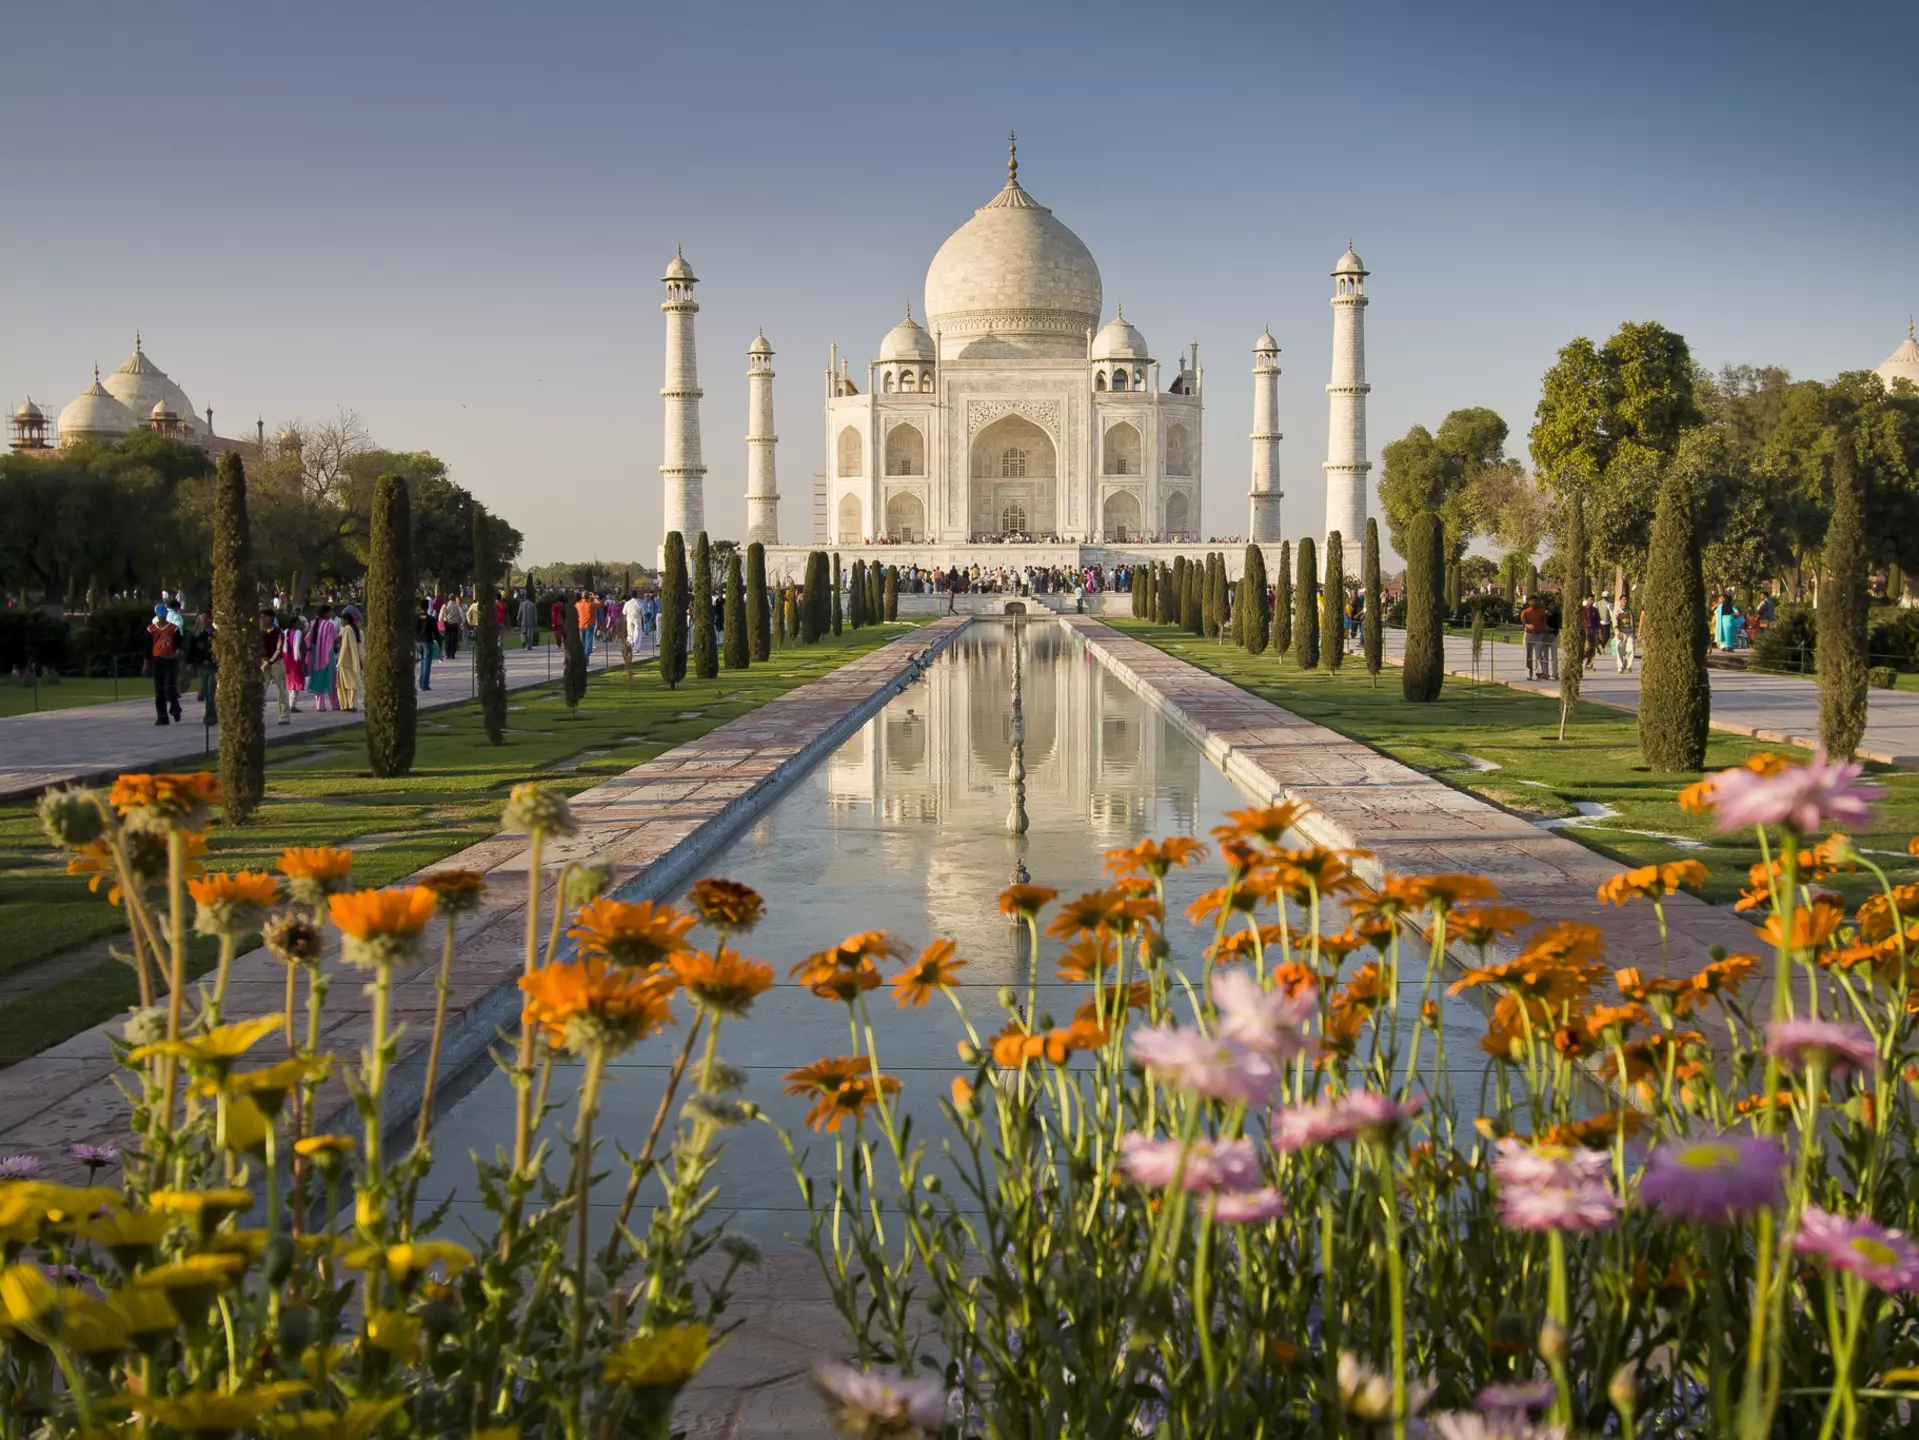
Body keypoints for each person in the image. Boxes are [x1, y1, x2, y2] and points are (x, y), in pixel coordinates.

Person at [147, 603, 183, 726]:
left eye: (163, 615)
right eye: (159, 616)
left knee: (169, 687)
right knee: (159, 690)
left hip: (170, 660)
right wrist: (146, 664)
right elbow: (147, 648)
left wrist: (176, 654)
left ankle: (175, 707)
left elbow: (179, 645)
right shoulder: (151, 629)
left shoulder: (173, 628)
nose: (161, 618)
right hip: (158, 660)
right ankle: (162, 716)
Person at [306, 604, 339, 711]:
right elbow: (333, 639)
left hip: (316, 654)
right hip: (326, 653)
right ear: (325, 613)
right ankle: (335, 704)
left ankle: (320, 706)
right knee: (331, 678)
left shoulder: (313, 623)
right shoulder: (329, 625)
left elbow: (308, 639)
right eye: (330, 612)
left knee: (318, 678)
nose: (332, 613)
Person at [185, 613, 216, 715]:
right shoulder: (195, 635)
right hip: (202, 663)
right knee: (206, 685)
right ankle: (208, 707)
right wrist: (189, 662)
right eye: (202, 618)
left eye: (207, 618)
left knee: (212, 686)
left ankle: (212, 711)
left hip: (214, 663)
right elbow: (190, 650)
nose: (204, 621)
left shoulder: (216, 634)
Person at [262, 614, 291, 725]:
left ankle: (283, 717)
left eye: (266, 616)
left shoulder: (279, 632)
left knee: (282, 691)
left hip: (277, 663)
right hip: (263, 663)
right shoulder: (260, 632)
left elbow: (279, 649)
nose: (264, 619)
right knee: (261, 690)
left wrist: (270, 661)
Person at [336, 610, 364, 711]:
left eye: (342, 620)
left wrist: (339, 661)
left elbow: (344, 646)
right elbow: (361, 648)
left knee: (343, 685)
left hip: (344, 661)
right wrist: (361, 660)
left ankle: (345, 705)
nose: (341, 622)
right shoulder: (359, 632)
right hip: (353, 661)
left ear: (346, 620)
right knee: (352, 683)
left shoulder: (346, 629)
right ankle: (352, 705)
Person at [1519, 596, 1551, 681]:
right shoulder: (1525, 612)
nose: (1534, 603)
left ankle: (1539, 672)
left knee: (1539, 654)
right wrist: (1527, 625)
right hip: (1529, 634)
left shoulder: (1542, 612)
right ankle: (1528, 674)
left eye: (1536, 601)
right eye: (1532, 601)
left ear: (1538, 602)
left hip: (1539, 635)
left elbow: (1546, 620)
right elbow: (1523, 621)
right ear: (1529, 602)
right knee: (1528, 655)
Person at [416, 598, 438, 691]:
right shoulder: (431, 619)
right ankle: (425, 684)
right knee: (427, 663)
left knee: (422, 662)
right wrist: (439, 644)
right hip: (427, 642)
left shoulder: (417, 618)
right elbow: (436, 633)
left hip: (418, 642)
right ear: (428, 607)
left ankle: (421, 682)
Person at [1613, 602, 1637, 673]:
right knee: (1619, 649)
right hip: (1620, 632)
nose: (1625, 601)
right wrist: (1617, 632)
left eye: (1626, 599)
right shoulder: (1617, 611)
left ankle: (1627, 665)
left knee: (1631, 648)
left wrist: (1633, 632)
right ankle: (1620, 667)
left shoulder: (1630, 611)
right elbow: (1614, 622)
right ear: (1620, 601)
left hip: (1629, 632)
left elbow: (1633, 621)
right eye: (1623, 600)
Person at [621, 590, 642, 663]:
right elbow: (642, 612)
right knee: (638, 633)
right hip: (637, 620)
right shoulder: (639, 603)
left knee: (630, 634)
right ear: (637, 595)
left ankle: (630, 645)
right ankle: (635, 647)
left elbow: (624, 612)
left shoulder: (627, 603)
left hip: (629, 620)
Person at [575, 592, 596, 659]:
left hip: (581, 625)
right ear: (588, 597)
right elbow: (600, 604)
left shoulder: (578, 604)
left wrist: (582, 599)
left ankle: (583, 658)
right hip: (589, 625)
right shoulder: (590, 604)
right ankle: (585, 658)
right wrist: (594, 597)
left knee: (582, 643)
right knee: (588, 643)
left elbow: (575, 605)